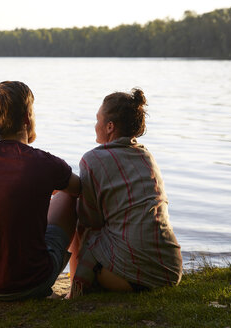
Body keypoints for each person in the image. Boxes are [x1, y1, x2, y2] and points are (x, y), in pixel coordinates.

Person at [0, 81, 81, 300]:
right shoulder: (45, 163)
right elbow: (79, 188)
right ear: (27, 117)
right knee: (69, 196)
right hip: (29, 283)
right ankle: (77, 285)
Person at [68, 88, 182, 297]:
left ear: (109, 126)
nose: (95, 126)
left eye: (97, 120)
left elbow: (90, 220)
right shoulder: (146, 156)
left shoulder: (92, 160)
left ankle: (75, 290)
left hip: (130, 277)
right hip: (170, 272)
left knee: (77, 215)